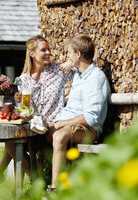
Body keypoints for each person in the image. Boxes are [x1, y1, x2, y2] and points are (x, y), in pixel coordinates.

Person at [0, 35, 74, 185]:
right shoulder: (23, 79)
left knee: (12, 144)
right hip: (33, 127)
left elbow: (85, 63)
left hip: (52, 127)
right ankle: (37, 182)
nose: (48, 52)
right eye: (43, 50)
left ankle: (0, 174)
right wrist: (20, 103)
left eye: (48, 49)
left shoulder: (58, 71)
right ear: (32, 54)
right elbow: (27, 110)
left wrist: (71, 62)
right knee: (11, 142)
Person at [46, 33, 111, 190]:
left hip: (87, 129)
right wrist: (71, 62)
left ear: (78, 54)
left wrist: (61, 124)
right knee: (33, 134)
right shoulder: (79, 75)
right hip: (69, 123)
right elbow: (70, 64)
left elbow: (90, 117)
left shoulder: (96, 78)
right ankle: (35, 182)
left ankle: (55, 189)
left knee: (60, 136)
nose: (67, 57)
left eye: (69, 53)